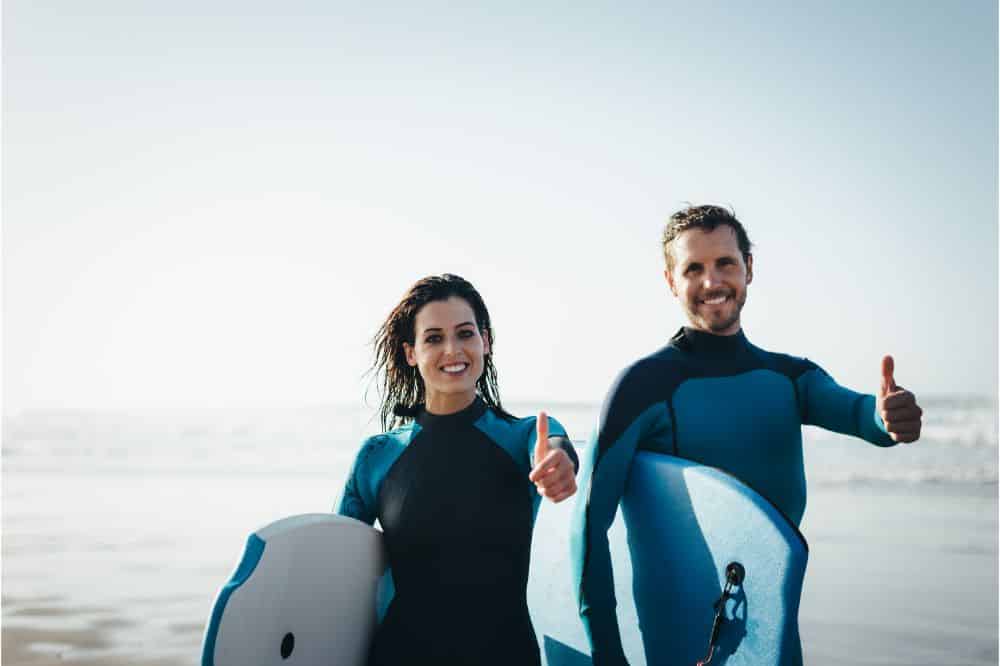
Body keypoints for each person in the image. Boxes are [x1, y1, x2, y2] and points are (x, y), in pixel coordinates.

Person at [570, 205, 924, 665]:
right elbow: (589, 524)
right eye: (693, 268)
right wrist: (607, 655)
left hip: (773, 645)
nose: (712, 281)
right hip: (675, 644)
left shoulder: (789, 378)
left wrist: (889, 418)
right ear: (670, 281)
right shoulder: (641, 387)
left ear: (749, 269)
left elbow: (862, 414)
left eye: (725, 264)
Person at [336, 273, 579, 666]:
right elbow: (335, 561)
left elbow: (554, 449)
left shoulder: (525, 438)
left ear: (485, 341)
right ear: (410, 352)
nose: (453, 349)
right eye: (433, 338)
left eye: (465, 334)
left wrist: (559, 464)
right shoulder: (377, 456)